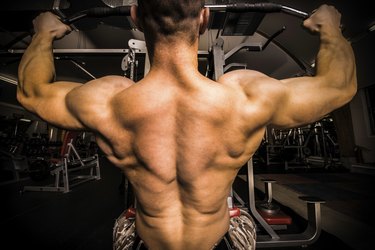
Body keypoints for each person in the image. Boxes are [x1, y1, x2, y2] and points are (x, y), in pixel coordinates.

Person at [17, 1, 357, 249]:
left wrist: (43, 35)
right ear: (204, 19)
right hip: (216, 242)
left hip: (146, 242)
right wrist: (330, 30)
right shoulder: (246, 97)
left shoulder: (107, 101)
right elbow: (338, 86)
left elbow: (33, 94)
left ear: (135, 16)